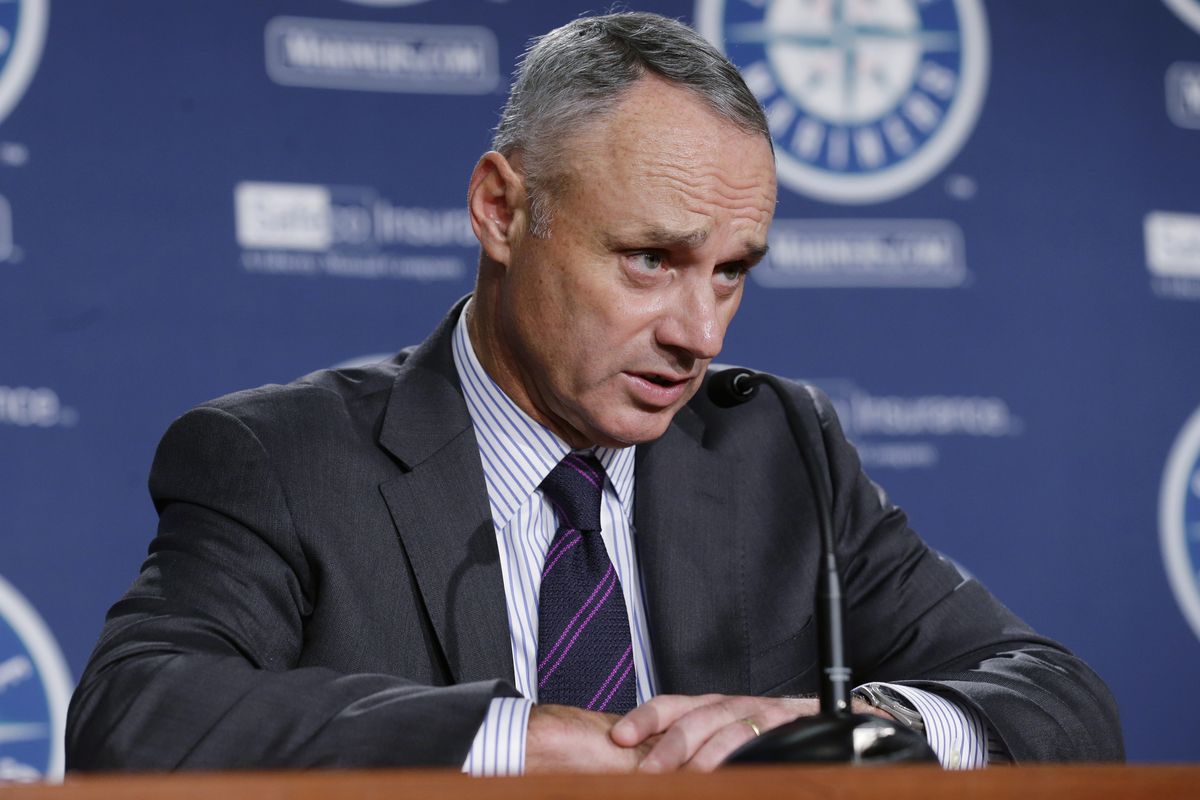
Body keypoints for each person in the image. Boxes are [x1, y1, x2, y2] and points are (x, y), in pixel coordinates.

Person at [66, 12, 1123, 774]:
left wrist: (853, 723)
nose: (699, 333)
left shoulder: (779, 449)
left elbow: (1060, 698)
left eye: (732, 270)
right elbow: (135, 712)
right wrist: (519, 739)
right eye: (650, 259)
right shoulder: (283, 460)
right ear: (501, 209)